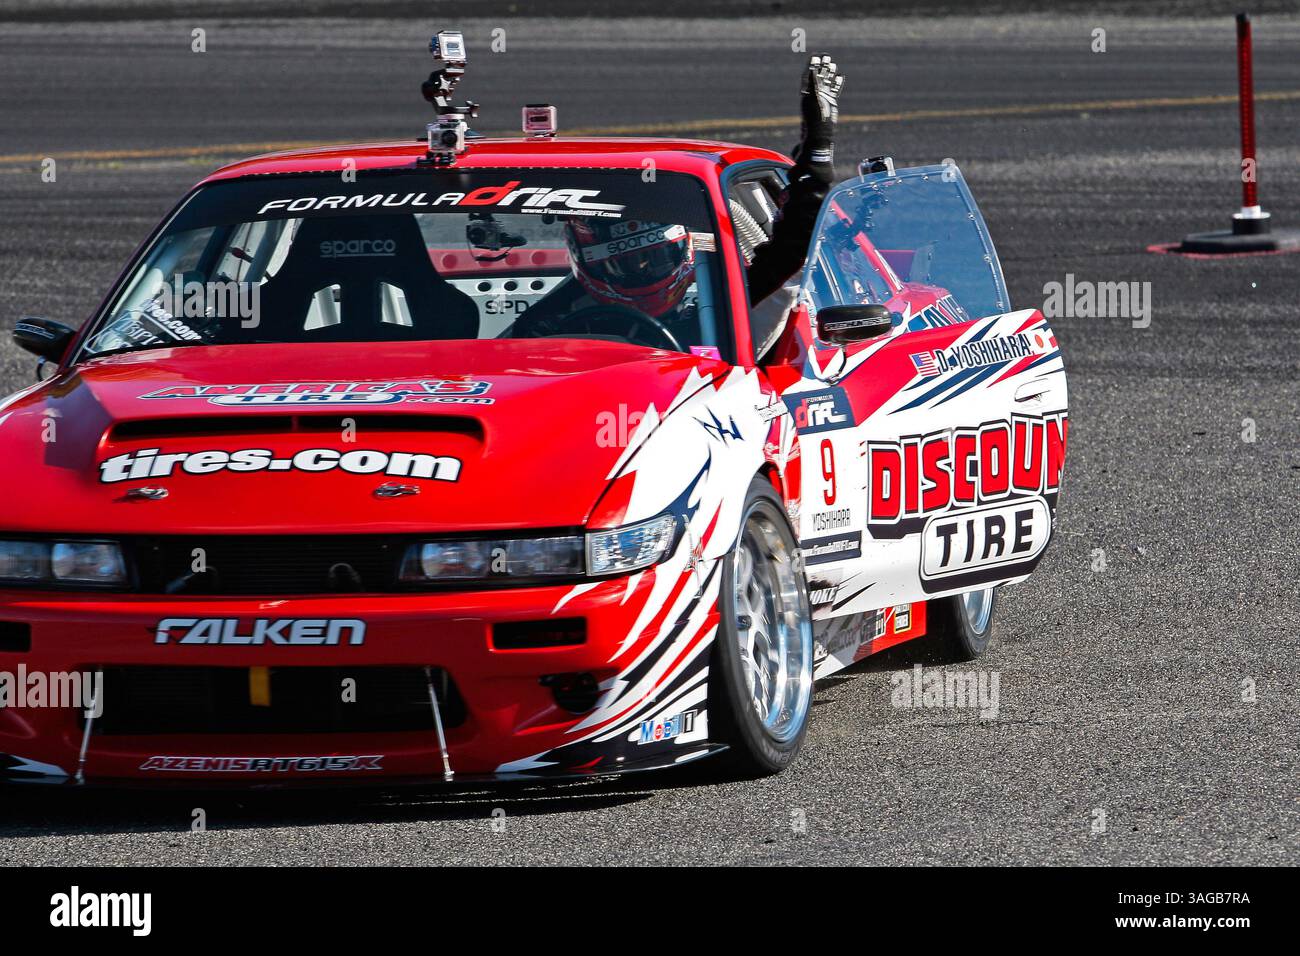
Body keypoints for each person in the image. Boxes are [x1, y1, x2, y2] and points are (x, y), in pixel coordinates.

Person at [519, 55, 843, 342]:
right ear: (585, 259)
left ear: (683, 245)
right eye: (625, 265)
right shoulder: (545, 325)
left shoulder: (724, 302)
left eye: (655, 258)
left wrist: (817, 155)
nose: (644, 270)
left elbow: (793, 249)